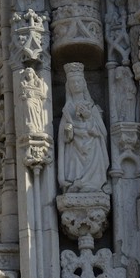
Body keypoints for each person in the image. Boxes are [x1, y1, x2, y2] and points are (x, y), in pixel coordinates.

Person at [57, 63, 109, 193]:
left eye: (78, 81)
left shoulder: (92, 107)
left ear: (84, 84)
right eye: (72, 82)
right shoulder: (67, 110)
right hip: (74, 149)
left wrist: (89, 117)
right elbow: (62, 140)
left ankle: (92, 183)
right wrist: (68, 131)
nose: (75, 85)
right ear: (68, 85)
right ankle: (75, 182)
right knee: (74, 158)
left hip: (92, 146)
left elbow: (103, 133)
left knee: (95, 148)